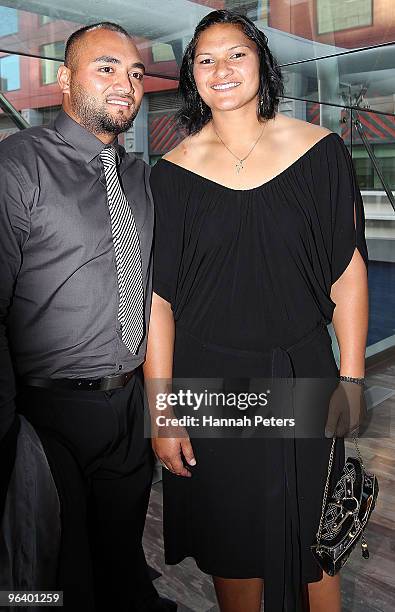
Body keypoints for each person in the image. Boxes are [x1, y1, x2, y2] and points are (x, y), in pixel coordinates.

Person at [145, 9, 368, 612]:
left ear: (262, 65)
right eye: (205, 58)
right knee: (231, 541)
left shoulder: (321, 151)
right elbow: (159, 302)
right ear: (192, 75)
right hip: (208, 380)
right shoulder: (169, 173)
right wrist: (163, 409)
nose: (221, 69)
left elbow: (347, 271)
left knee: (313, 536)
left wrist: (351, 377)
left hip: (299, 367)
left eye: (236, 54)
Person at [0, 22, 176, 612]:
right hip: (46, 417)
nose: (127, 82)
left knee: (118, 554)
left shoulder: (139, 174)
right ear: (64, 77)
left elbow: (153, 291)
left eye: (134, 72)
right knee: (51, 576)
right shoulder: (17, 166)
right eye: (107, 67)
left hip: (127, 408)